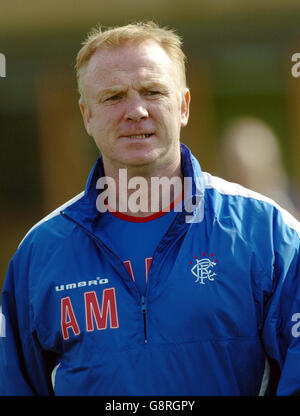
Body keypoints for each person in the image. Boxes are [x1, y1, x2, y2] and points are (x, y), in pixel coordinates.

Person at [0, 21, 299, 396]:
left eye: (153, 91)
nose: (136, 111)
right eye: (113, 97)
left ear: (184, 106)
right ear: (86, 116)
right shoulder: (40, 251)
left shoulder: (268, 232)